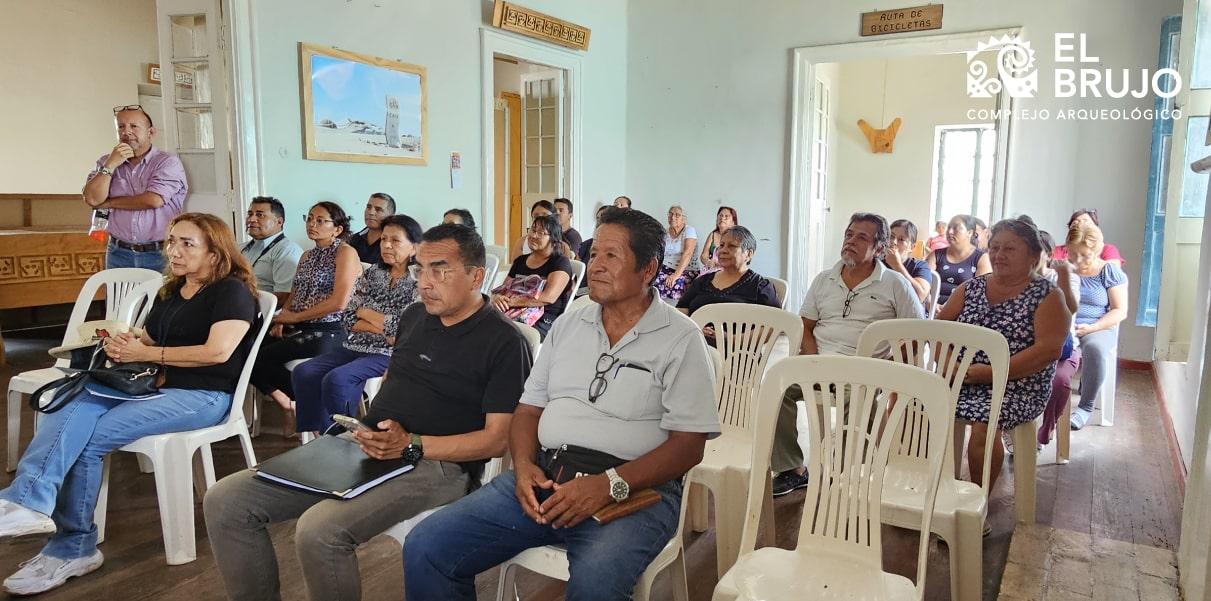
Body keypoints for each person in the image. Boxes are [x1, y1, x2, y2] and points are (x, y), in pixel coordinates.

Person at [404, 208, 719, 600]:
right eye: (594, 253)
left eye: (612, 256)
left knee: (595, 585)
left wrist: (610, 485)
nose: (595, 266)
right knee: (427, 546)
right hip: (548, 478)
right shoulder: (570, 324)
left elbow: (689, 445)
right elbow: (528, 411)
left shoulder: (680, 338)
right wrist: (523, 468)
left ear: (649, 268)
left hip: (635, 493)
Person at [205, 224, 533, 601]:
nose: (425, 282)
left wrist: (410, 444)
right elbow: (395, 384)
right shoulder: (414, 317)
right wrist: (363, 434)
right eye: (419, 269)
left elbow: (496, 441)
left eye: (440, 270)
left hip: (436, 464)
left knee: (319, 530)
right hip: (366, 445)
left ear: (476, 276)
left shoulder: (504, 341)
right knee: (226, 500)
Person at [0, 213, 257, 595]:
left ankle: (72, 547)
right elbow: (152, 341)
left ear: (216, 254)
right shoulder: (173, 290)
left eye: (188, 243)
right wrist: (129, 340)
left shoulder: (231, 291)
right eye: (172, 241)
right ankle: (27, 501)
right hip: (155, 384)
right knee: (70, 401)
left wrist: (149, 353)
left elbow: (218, 353)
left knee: (87, 437)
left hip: (204, 396)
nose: (174, 250)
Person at [774, 213, 925, 495]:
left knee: (855, 398)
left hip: (864, 369)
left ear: (880, 248)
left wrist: (891, 364)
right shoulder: (824, 280)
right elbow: (804, 326)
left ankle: (845, 476)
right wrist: (812, 358)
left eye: (862, 237)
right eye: (849, 234)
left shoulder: (895, 284)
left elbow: (916, 334)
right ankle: (792, 469)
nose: (851, 242)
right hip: (819, 361)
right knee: (778, 389)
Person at [938, 218, 1069, 490]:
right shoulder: (971, 288)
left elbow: (1047, 350)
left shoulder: (1047, 295)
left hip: (1018, 385)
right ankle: (937, 493)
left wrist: (989, 373)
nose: (998, 255)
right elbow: (940, 332)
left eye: (1009, 249)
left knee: (984, 427)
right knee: (916, 408)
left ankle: (976, 502)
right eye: (994, 248)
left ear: (1033, 255)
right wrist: (953, 366)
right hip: (963, 378)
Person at [290, 214, 423, 435]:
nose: (386, 245)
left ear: (414, 248)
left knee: (337, 379)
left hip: (390, 352)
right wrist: (377, 322)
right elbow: (349, 318)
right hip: (355, 346)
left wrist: (366, 313)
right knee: (304, 371)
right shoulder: (373, 273)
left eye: (395, 241)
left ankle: (342, 436)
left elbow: (403, 331)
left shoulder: (419, 281)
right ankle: (321, 434)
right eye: (383, 239)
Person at [250, 202, 360, 427]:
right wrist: (284, 317)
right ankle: (297, 400)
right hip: (302, 325)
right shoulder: (307, 256)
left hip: (332, 329)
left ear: (337, 229)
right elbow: (296, 293)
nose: (312, 224)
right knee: (246, 350)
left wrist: (294, 318)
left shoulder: (344, 252)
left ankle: (304, 403)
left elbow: (340, 302)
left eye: (320, 220)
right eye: (309, 218)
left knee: (260, 359)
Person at [83, 105, 188, 271]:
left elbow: (153, 200)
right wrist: (110, 165)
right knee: (119, 298)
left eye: (134, 126)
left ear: (150, 132)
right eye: (121, 127)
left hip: (160, 252)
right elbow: (92, 199)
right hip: (118, 252)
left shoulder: (167, 162)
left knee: (162, 297)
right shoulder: (106, 161)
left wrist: (108, 203)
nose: (127, 132)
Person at [1066, 222, 1128, 430]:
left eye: (1085, 255)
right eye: (1073, 253)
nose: (1078, 260)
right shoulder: (1062, 268)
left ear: (1097, 251)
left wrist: (1092, 328)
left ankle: (1085, 407)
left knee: (1094, 348)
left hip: (1098, 326)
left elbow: (1120, 310)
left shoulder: (1108, 271)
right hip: (1066, 325)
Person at [1033, 229, 1081, 448]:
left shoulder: (1062, 277)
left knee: (1059, 381)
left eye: (1037, 251)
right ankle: (1010, 429)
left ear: (1049, 254)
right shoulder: (1019, 280)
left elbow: (1070, 309)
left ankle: (1045, 431)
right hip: (1027, 347)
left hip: (1062, 347)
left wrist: (1063, 276)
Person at [493, 214, 574, 339]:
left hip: (543, 320)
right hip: (512, 313)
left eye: (541, 233)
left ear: (553, 239)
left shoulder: (560, 262)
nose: (533, 236)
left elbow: (548, 298)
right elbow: (504, 288)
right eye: (533, 230)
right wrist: (497, 298)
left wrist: (512, 302)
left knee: (501, 333)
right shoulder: (520, 261)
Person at [677, 225, 779, 316]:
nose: (723, 250)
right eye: (721, 245)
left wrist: (731, 336)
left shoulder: (760, 286)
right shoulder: (702, 281)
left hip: (741, 338)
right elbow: (681, 310)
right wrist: (697, 326)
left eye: (732, 246)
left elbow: (776, 323)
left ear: (749, 254)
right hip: (697, 335)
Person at [241, 196, 304, 306]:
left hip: (263, 315)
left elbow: (284, 297)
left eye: (260, 215)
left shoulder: (287, 250)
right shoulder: (240, 248)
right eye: (250, 214)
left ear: (279, 222)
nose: (251, 219)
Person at [928, 214, 992, 306]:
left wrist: (950, 309)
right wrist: (930, 303)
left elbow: (979, 294)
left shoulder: (981, 258)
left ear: (970, 233)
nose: (950, 231)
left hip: (962, 311)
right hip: (931, 308)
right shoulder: (936, 255)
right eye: (949, 227)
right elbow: (924, 283)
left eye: (956, 228)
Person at [655, 205, 700, 302]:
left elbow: (687, 254)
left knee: (670, 283)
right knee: (648, 279)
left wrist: (675, 275)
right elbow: (659, 253)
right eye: (670, 214)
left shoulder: (689, 230)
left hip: (686, 269)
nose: (672, 217)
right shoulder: (664, 232)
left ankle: (670, 311)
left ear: (684, 219)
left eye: (677, 215)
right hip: (666, 267)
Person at [1051, 209, 1125, 267]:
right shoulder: (1056, 250)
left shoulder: (1108, 249)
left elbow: (1112, 271)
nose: (1080, 225)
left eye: (1086, 222)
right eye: (1075, 223)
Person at [886, 219, 933, 304]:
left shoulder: (920, 266)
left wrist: (897, 266)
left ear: (912, 247)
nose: (894, 242)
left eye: (901, 239)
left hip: (908, 315)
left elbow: (920, 296)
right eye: (891, 237)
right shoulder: (877, 262)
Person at [347, 193, 396, 264]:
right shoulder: (353, 239)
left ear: (391, 216)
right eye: (368, 207)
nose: (371, 212)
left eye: (378, 209)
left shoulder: (393, 245)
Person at [699, 206, 739, 272]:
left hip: (729, 272)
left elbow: (738, 258)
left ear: (733, 222)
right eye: (720, 215)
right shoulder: (712, 235)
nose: (722, 218)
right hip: (711, 271)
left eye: (726, 216)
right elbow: (703, 256)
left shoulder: (736, 237)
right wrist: (708, 262)